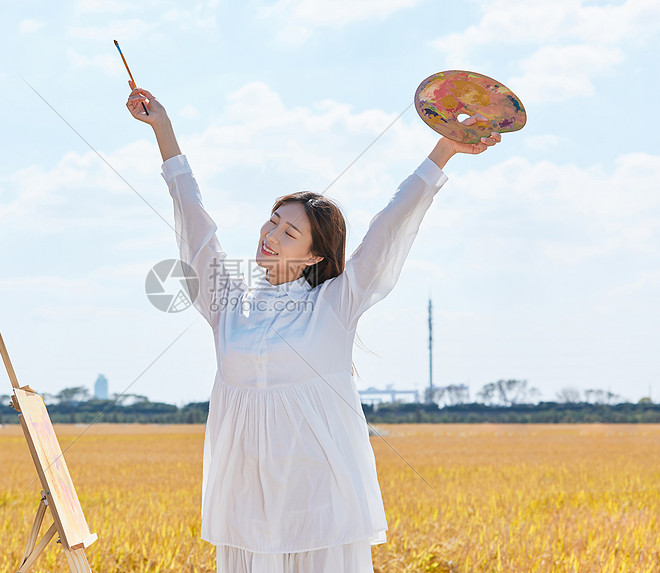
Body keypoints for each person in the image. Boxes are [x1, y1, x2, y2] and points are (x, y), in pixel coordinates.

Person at [126, 84, 500, 573]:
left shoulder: (334, 305)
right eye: (273, 221)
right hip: (246, 505)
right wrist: (165, 133)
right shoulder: (228, 304)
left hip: (320, 503)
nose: (271, 235)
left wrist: (443, 150)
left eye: (289, 232)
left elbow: (388, 227)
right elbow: (195, 222)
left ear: (315, 256)